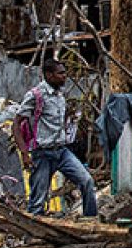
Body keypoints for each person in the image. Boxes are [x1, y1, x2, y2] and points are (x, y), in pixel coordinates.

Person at [10, 59, 98, 217]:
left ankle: (90, 221)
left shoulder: (59, 95)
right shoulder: (36, 95)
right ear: (49, 75)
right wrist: (24, 153)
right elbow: (16, 124)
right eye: (61, 73)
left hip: (62, 151)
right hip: (42, 154)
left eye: (65, 73)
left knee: (87, 181)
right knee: (38, 200)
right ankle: (32, 234)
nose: (65, 76)